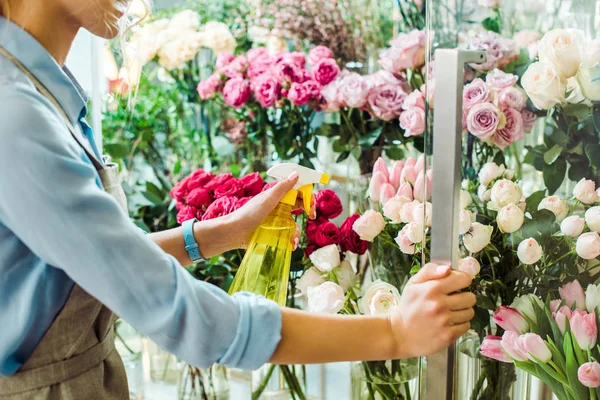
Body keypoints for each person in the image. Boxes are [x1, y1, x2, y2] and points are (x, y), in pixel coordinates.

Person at [0, 0, 476, 398]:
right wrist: (393, 333)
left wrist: (217, 234)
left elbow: (83, 263)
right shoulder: (17, 118)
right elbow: (184, 314)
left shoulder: (36, 88)